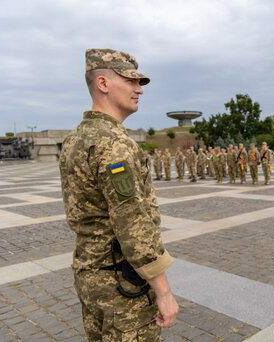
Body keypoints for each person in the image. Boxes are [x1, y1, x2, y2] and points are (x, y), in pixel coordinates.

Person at [59, 48, 178, 342]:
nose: (139, 90)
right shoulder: (115, 145)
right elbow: (133, 225)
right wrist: (163, 291)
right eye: (131, 81)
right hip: (120, 282)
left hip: (90, 275)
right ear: (103, 83)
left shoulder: (75, 138)